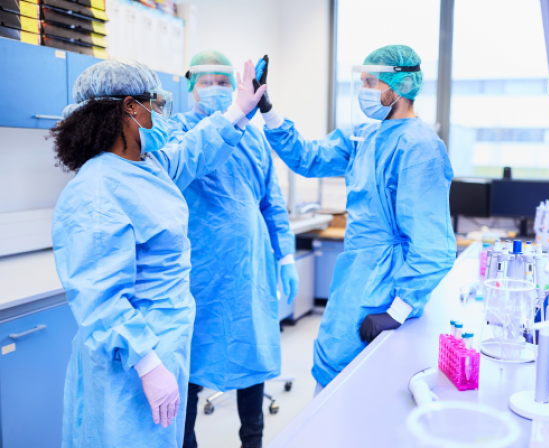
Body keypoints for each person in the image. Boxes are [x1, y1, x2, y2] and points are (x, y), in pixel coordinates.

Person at [51, 59, 265, 448]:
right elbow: (99, 299)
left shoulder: (147, 167)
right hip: (131, 362)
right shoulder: (96, 190)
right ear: (132, 107)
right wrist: (148, 365)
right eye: (159, 103)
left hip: (163, 345)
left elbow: (195, 150)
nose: (164, 114)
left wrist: (239, 108)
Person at [259, 45, 457, 391]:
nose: (363, 90)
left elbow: (433, 246)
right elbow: (308, 158)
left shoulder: (420, 148)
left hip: (387, 287)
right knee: (333, 366)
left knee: (363, 384)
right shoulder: (363, 136)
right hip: (355, 278)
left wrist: (395, 311)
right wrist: (269, 111)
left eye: (370, 82)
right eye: (362, 82)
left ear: (399, 87)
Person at [170, 50, 298, 448]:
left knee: (253, 357)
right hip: (199, 269)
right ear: (190, 88)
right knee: (189, 364)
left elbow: (271, 202)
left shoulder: (254, 137)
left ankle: (253, 441)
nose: (214, 89)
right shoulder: (179, 134)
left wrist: (287, 256)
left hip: (249, 268)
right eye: (205, 82)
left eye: (223, 82)